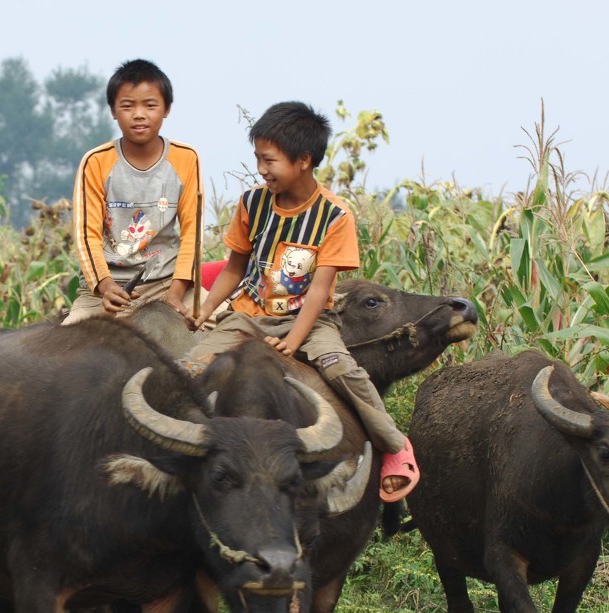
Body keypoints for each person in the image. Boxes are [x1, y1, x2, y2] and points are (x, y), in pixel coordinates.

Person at [185, 101, 419, 501]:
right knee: (188, 365)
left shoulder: (334, 216)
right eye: (257, 158)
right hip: (249, 314)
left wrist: (294, 341)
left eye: (269, 160)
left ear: (304, 160)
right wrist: (207, 310)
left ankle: (395, 446)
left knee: (343, 368)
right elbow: (234, 267)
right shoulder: (251, 204)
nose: (261, 169)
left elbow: (318, 288)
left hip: (312, 321)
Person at [64, 58, 201, 325]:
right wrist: (104, 287)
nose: (139, 114)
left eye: (150, 105)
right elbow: (86, 235)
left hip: (166, 282)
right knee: (65, 348)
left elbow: (192, 234)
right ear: (114, 111)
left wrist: (176, 293)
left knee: (226, 331)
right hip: (110, 285)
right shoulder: (96, 162)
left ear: (166, 109)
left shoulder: (186, 158)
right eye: (127, 106)